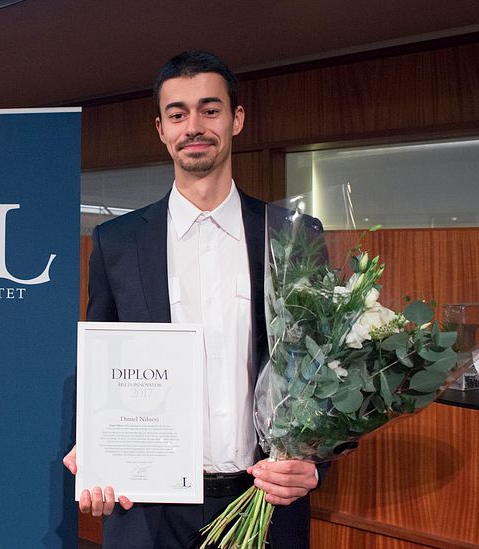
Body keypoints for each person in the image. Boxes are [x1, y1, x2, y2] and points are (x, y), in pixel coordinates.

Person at [64, 50, 323, 548]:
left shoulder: (291, 236)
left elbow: (322, 370)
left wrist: (315, 464)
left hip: (263, 503)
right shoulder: (116, 242)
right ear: (161, 128)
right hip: (147, 507)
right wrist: (96, 453)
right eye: (178, 114)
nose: (194, 126)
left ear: (236, 119)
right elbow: (103, 364)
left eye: (210, 109)